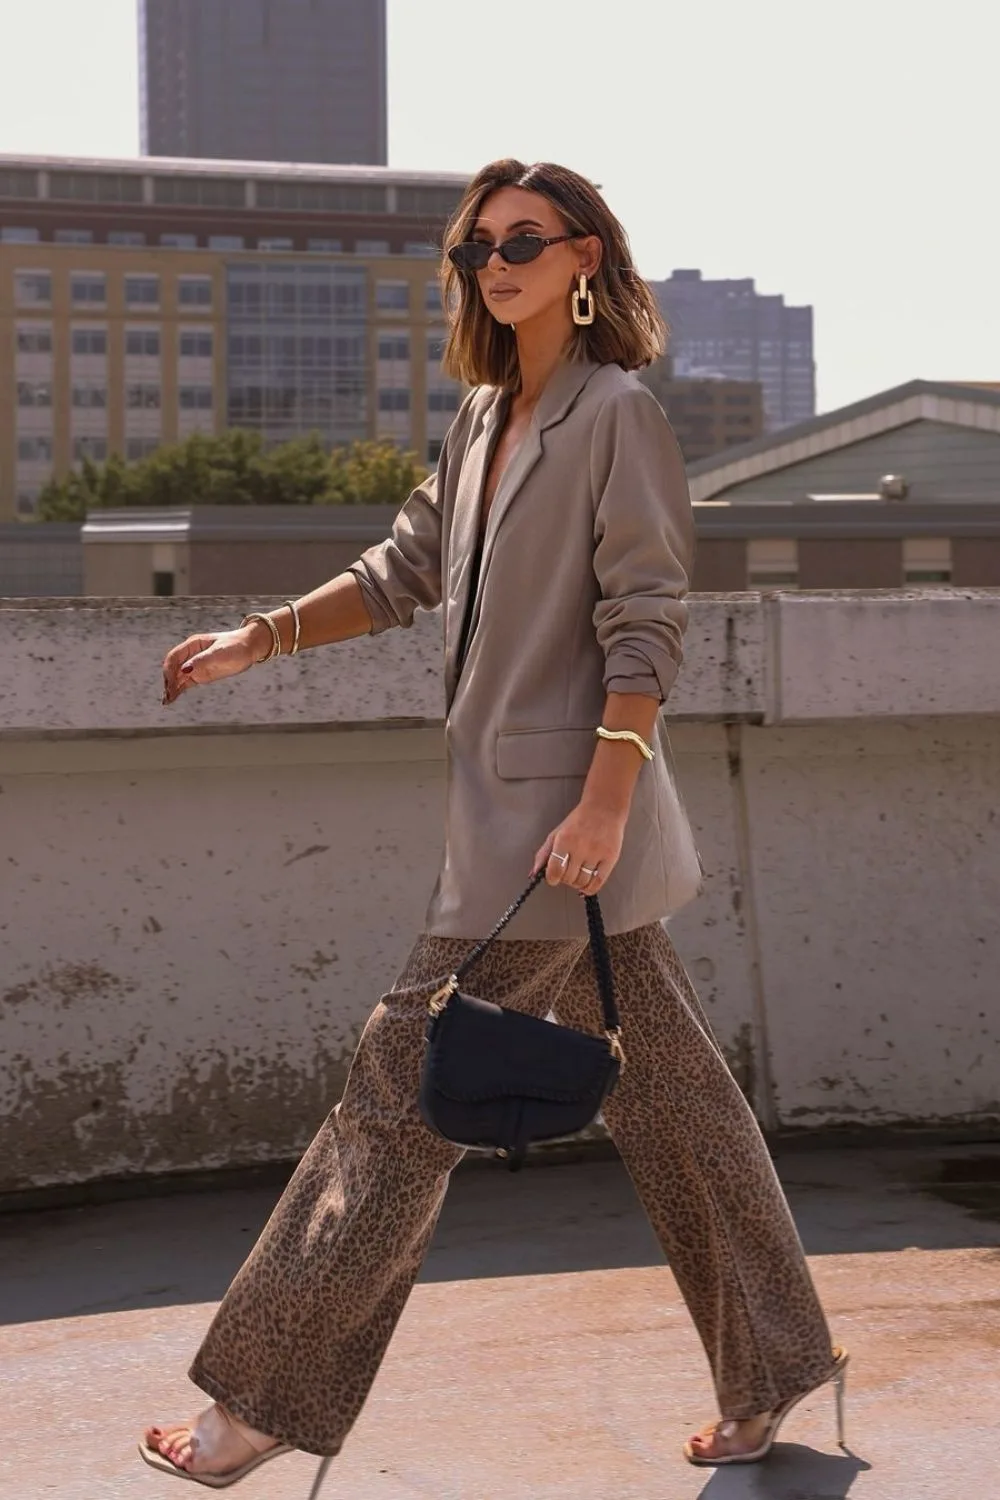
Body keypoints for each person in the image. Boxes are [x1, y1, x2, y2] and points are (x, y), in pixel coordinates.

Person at [141, 159, 847, 1493]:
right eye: (474, 250)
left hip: (561, 832)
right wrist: (261, 637)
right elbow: (406, 569)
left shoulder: (616, 416)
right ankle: (774, 1368)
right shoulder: (482, 420)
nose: (493, 264)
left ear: (584, 255)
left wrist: (604, 798)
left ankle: (260, 1403)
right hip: (512, 827)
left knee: (396, 1092)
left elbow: (648, 616)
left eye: (521, 241)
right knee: (678, 1110)